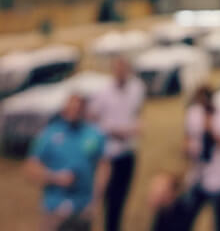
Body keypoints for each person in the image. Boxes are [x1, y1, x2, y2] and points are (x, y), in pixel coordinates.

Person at [24, 93, 110, 231]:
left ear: (84, 110)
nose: (74, 112)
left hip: (82, 208)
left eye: (78, 108)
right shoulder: (49, 133)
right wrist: (55, 177)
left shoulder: (94, 135)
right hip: (55, 207)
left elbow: (104, 166)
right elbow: (31, 168)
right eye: (71, 108)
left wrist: (96, 200)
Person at [89, 57, 146, 231]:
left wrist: (136, 126)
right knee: (108, 199)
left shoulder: (137, 88)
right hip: (109, 153)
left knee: (122, 197)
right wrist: (114, 131)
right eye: (118, 69)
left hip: (129, 150)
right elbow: (92, 118)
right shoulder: (103, 92)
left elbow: (137, 111)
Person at [184, 85, 220, 231]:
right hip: (197, 177)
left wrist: (212, 131)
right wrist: (189, 148)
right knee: (186, 218)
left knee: (219, 223)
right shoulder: (192, 114)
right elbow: (186, 140)